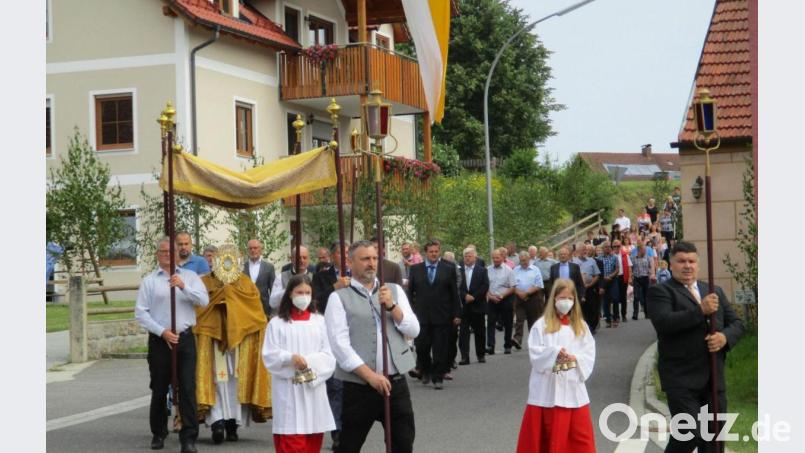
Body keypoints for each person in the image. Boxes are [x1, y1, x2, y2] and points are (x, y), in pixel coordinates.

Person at [646, 241, 744, 453]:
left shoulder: (713, 291)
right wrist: (700, 310)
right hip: (681, 379)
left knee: (713, 442)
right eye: (681, 261)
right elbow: (664, 323)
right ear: (671, 264)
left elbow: (737, 323)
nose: (687, 266)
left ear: (698, 264)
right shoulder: (660, 292)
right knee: (688, 434)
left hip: (713, 378)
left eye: (691, 261)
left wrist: (724, 338)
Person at [325, 240, 420, 453]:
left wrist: (393, 307)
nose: (371, 263)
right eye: (365, 259)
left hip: (395, 383)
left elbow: (414, 330)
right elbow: (340, 346)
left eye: (375, 258)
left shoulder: (393, 290)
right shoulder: (339, 298)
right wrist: (371, 377)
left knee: (403, 444)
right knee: (348, 446)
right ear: (350, 262)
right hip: (359, 387)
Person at [135, 237, 209, 453]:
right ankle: (158, 433)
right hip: (160, 340)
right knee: (159, 388)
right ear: (157, 254)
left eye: (171, 251)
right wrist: (162, 332)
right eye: (163, 251)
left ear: (178, 253)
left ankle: (189, 437)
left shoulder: (190, 277)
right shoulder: (150, 281)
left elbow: (203, 301)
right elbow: (141, 313)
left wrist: (184, 286)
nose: (167, 254)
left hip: (184, 339)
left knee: (187, 387)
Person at [194, 245, 271, 444]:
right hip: (213, 341)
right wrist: (220, 299)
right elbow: (199, 311)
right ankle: (217, 422)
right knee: (216, 382)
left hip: (239, 343)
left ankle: (232, 424)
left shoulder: (245, 283)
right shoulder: (204, 282)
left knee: (236, 383)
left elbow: (256, 312)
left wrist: (233, 302)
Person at [515, 278, 596, 453]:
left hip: (573, 391)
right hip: (546, 392)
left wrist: (573, 358)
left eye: (570, 298)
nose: (566, 302)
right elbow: (536, 355)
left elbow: (588, 355)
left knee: (580, 441)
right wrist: (557, 353)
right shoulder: (541, 325)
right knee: (543, 441)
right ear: (554, 299)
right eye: (562, 297)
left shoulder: (581, 327)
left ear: (575, 301)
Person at [262, 274, 336, 453]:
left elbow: (329, 355)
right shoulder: (277, 324)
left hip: (313, 390)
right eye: (299, 292)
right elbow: (269, 355)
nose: (304, 296)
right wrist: (290, 358)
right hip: (288, 391)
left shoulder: (319, 322)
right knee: (292, 442)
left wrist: (307, 363)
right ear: (289, 294)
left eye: (307, 292)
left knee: (312, 442)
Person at [311, 242, 350, 449]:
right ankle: (337, 431)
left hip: (353, 336)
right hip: (329, 335)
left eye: (347, 252)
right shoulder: (321, 277)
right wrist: (334, 287)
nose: (344, 256)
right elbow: (315, 301)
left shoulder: (358, 276)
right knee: (335, 386)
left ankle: (351, 427)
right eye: (340, 253)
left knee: (351, 387)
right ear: (333, 255)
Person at [406, 239, 461, 389]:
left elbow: (454, 294)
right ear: (426, 253)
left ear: (439, 251)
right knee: (422, 347)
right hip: (421, 316)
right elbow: (410, 293)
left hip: (442, 315)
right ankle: (426, 370)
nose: (434, 254)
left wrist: (457, 313)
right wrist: (409, 312)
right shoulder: (416, 269)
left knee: (440, 349)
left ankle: (437, 378)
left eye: (436, 251)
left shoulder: (448, 268)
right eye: (431, 252)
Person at [458, 247, 489, 365]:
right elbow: (457, 287)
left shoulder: (482, 270)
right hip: (464, 306)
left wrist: (474, 297)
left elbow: (485, 286)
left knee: (480, 332)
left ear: (475, 257)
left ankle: (480, 355)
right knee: (463, 333)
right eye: (465, 255)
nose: (467, 257)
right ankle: (464, 357)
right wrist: (465, 296)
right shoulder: (459, 270)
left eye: (469, 255)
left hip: (478, 305)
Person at [486, 248, 517, 355]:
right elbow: (484, 287)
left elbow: (513, 287)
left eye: (497, 257)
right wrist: (490, 296)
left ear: (503, 258)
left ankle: (507, 345)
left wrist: (502, 295)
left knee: (508, 323)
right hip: (492, 299)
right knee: (490, 323)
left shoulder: (509, 270)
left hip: (505, 299)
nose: (495, 259)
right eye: (493, 258)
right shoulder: (488, 270)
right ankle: (491, 345)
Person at [512, 251, 544, 350]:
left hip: (533, 298)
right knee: (519, 320)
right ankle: (517, 339)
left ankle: (534, 341)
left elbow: (539, 285)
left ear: (529, 259)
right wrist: (519, 293)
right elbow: (512, 284)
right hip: (519, 298)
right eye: (521, 261)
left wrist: (527, 293)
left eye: (525, 260)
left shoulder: (535, 269)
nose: (523, 262)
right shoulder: (515, 270)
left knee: (533, 320)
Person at [269, 245, 314, 311]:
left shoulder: (314, 277)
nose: (302, 260)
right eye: (299, 258)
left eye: (304, 258)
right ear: (292, 259)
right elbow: (272, 303)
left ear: (308, 259)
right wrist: (288, 290)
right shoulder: (281, 277)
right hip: (286, 317)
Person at [243, 239, 276, 317]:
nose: (253, 250)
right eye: (250, 248)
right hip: (246, 307)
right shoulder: (242, 267)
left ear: (260, 250)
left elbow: (273, 290)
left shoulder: (269, 267)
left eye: (255, 248)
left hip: (264, 308)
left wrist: (272, 311)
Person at [574, 243, 601, 333]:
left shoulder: (591, 261)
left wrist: (590, 284)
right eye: (582, 249)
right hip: (578, 289)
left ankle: (592, 326)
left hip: (590, 288)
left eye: (585, 249)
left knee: (593, 308)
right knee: (582, 309)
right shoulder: (573, 262)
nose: (584, 251)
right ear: (577, 251)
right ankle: (585, 328)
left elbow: (597, 275)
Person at [599, 242, 621, 328]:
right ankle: (608, 320)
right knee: (606, 301)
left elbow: (617, 269)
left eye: (609, 247)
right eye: (605, 247)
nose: (607, 248)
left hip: (613, 280)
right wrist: (604, 277)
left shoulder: (614, 257)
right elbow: (598, 270)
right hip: (603, 280)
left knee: (615, 298)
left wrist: (611, 276)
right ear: (603, 248)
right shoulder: (599, 258)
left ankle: (615, 318)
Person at [630, 243, 652, 320]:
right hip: (636, 278)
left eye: (645, 250)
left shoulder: (648, 257)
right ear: (639, 250)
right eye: (644, 250)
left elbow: (650, 267)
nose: (645, 251)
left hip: (645, 278)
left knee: (646, 296)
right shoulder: (633, 258)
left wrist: (651, 274)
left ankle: (647, 313)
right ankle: (635, 314)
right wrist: (631, 277)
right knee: (636, 296)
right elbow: (630, 268)